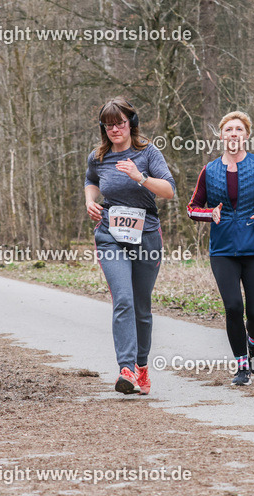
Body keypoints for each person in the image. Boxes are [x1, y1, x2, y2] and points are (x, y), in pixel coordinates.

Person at [187, 111, 254, 386]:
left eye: (239, 129)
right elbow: (192, 208)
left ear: (246, 135)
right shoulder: (209, 170)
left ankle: (253, 342)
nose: (234, 134)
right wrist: (211, 214)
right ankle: (241, 366)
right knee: (233, 307)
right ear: (221, 136)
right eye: (229, 129)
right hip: (223, 252)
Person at [85, 97, 175, 395]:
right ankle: (125, 369)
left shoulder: (148, 152)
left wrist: (141, 177)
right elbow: (91, 180)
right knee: (122, 298)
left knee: (141, 306)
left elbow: (169, 191)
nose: (115, 129)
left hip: (146, 235)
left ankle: (142, 368)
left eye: (120, 123)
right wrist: (89, 200)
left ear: (131, 123)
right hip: (110, 233)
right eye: (109, 125)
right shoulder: (98, 156)